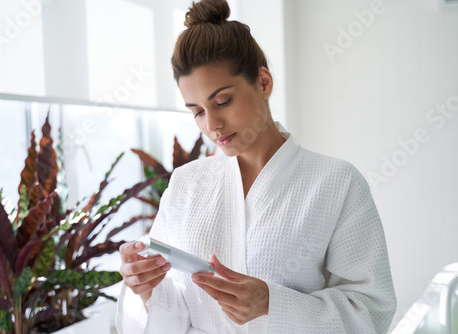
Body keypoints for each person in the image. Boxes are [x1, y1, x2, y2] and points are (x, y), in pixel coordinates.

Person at [116, 0, 397, 333]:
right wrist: (147, 288)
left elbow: (372, 310)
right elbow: (177, 310)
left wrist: (272, 305)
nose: (213, 125)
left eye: (223, 101)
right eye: (197, 111)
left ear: (263, 83)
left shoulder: (336, 183)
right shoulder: (186, 183)